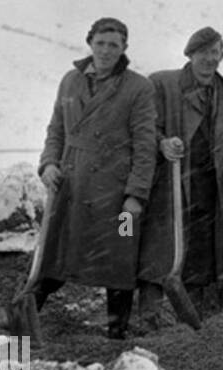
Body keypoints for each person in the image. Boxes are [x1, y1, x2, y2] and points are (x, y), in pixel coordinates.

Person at [32, 17, 156, 339]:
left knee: (120, 258)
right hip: (71, 185)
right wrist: (48, 164)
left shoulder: (138, 87)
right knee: (54, 255)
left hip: (117, 191)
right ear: (89, 43)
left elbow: (145, 145)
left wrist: (136, 195)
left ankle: (116, 332)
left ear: (124, 49)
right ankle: (23, 319)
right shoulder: (70, 81)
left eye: (113, 45)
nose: (105, 50)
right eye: (100, 43)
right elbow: (56, 129)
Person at [137, 27, 223, 325]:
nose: (210, 59)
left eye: (215, 53)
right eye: (203, 53)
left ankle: (192, 316)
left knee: (201, 248)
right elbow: (143, 126)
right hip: (169, 182)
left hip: (209, 186)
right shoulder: (162, 83)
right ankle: (150, 316)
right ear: (190, 55)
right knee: (160, 247)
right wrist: (161, 142)